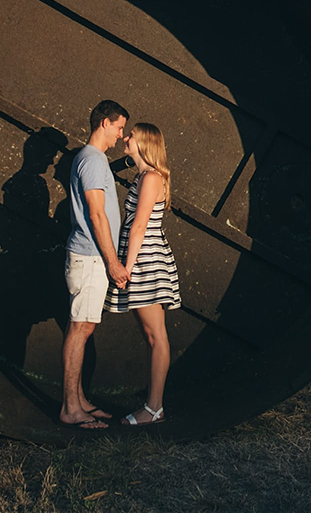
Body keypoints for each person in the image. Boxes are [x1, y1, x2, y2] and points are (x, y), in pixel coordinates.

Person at [104, 122, 181, 426]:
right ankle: (153, 406)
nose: (125, 138)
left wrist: (128, 267)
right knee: (151, 335)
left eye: (131, 135)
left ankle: (154, 409)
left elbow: (138, 226)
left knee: (156, 335)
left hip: (146, 261)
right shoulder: (143, 177)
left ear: (145, 142)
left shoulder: (151, 178)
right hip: (142, 259)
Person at [60, 100, 130, 429]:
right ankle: (70, 409)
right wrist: (114, 263)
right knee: (79, 329)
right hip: (91, 257)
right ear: (104, 123)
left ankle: (80, 400)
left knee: (85, 327)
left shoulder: (93, 160)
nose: (120, 134)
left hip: (92, 256)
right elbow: (96, 213)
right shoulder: (91, 160)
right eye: (119, 127)